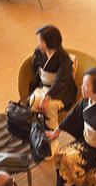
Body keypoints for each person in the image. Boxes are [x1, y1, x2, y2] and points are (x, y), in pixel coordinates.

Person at [46, 67, 96, 186]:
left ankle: (86, 184)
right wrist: (57, 130)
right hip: (86, 141)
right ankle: (69, 184)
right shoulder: (88, 100)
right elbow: (74, 114)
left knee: (67, 158)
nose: (82, 88)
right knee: (60, 154)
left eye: (86, 85)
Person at [25, 25, 76, 154]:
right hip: (43, 85)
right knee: (33, 101)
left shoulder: (64, 58)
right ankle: (36, 133)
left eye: (41, 42)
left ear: (51, 43)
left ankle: (53, 138)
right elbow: (35, 67)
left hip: (61, 90)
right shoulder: (38, 52)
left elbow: (60, 81)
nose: (38, 45)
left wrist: (47, 98)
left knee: (50, 107)